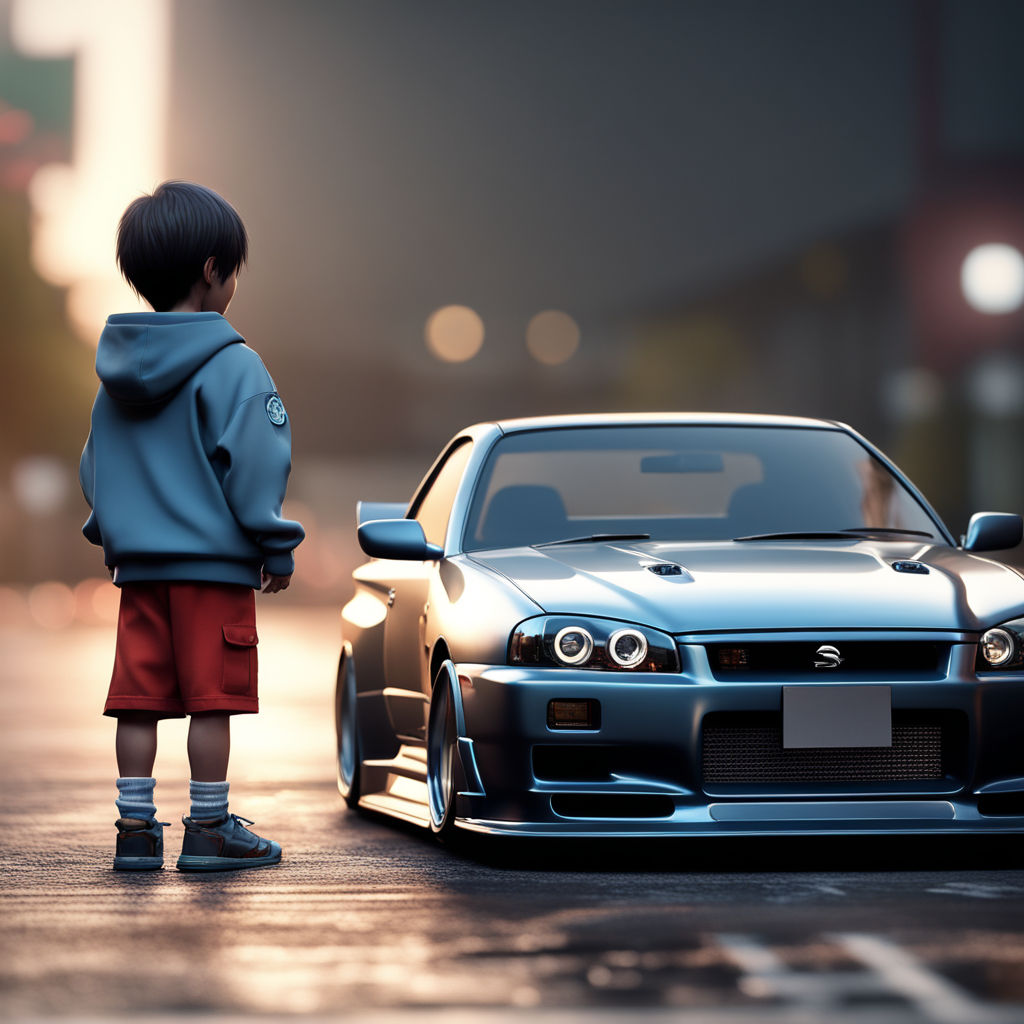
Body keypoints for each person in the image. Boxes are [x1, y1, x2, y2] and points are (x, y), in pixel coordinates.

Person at [79, 180, 305, 872]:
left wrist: (112, 532)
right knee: (213, 701)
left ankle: (134, 831)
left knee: (137, 703)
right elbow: (257, 464)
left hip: (140, 572)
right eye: (233, 268)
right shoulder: (234, 365)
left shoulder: (114, 376)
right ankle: (208, 829)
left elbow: (96, 466)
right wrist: (275, 546)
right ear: (212, 269)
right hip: (212, 569)